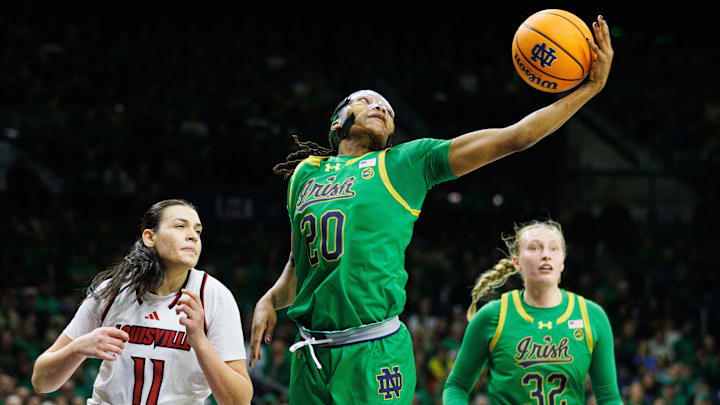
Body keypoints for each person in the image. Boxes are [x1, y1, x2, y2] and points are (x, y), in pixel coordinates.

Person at [250, 15, 613, 405]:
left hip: (374, 350)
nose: (380, 107)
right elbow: (299, 262)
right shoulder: (306, 174)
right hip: (311, 355)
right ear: (338, 121)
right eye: (366, 100)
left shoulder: (406, 163)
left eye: (387, 107)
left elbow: (516, 137)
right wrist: (270, 299)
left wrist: (590, 89)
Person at [32, 199, 253, 405]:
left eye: (197, 231)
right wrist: (77, 348)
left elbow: (240, 400)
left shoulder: (214, 295)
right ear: (150, 237)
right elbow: (41, 381)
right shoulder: (113, 290)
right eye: (180, 226)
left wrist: (200, 341)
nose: (193, 236)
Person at [442, 220, 622, 404]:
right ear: (516, 262)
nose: (546, 255)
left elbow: (608, 397)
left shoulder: (592, 317)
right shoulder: (492, 316)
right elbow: (457, 385)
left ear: (562, 262)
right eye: (535, 248)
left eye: (554, 249)